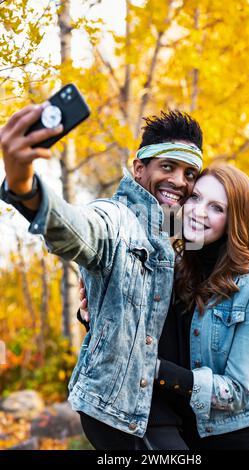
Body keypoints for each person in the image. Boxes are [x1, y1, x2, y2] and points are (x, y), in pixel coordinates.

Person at [0, 105, 203, 450]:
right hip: (127, 411)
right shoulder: (118, 219)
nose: (179, 181)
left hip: (173, 404)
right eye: (167, 167)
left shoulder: (177, 230)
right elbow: (76, 228)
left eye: (189, 173)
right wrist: (24, 185)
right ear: (139, 168)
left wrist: (95, 310)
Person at [79, 163, 249, 450]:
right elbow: (147, 324)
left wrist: (155, 370)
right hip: (186, 428)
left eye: (217, 208)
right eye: (196, 198)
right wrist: (96, 311)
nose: (199, 211)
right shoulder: (178, 265)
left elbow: (235, 393)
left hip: (241, 437)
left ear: (235, 221)